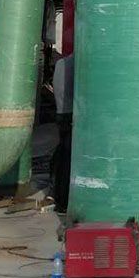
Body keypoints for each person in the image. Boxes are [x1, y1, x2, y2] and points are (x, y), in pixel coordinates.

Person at [51, 53, 74, 213]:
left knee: (62, 154)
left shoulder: (61, 64)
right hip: (71, 114)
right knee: (68, 157)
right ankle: (63, 198)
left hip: (61, 112)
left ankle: (58, 194)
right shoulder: (78, 65)